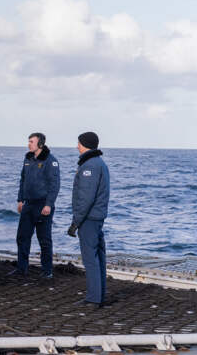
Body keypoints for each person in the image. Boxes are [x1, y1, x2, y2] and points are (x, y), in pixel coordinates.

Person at [68, 131, 110, 308]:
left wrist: (76, 222)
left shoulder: (89, 166)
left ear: (84, 144)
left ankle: (93, 298)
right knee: (98, 256)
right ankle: (99, 295)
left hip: (89, 218)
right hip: (97, 217)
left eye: (78, 143)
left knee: (90, 258)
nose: (77, 146)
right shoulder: (99, 163)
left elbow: (86, 197)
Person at [11, 132, 60, 278]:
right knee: (22, 237)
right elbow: (22, 180)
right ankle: (22, 269)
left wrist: (49, 204)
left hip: (43, 205)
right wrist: (20, 200)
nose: (29, 144)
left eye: (31, 142)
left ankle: (47, 271)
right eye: (29, 141)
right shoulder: (28, 159)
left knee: (44, 240)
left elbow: (54, 185)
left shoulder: (51, 161)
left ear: (40, 144)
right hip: (28, 204)